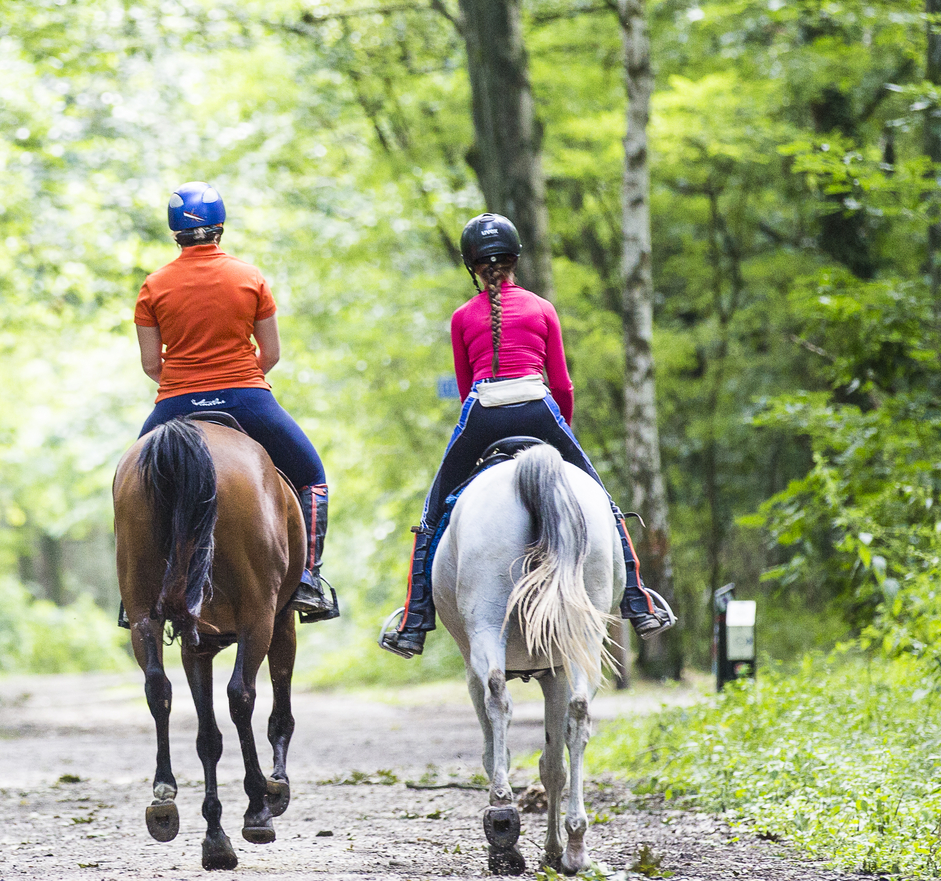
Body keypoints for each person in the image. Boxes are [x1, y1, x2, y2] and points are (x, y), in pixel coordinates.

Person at [378, 211, 676, 657]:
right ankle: (637, 599)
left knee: (434, 513)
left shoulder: (462, 317)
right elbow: (562, 386)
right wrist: (561, 434)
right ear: (516, 259)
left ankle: (413, 617)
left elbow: (465, 390)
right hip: (540, 412)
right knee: (604, 504)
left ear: (471, 265)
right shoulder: (542, 308)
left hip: (483, 414)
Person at [131, 181, 338, 621]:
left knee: (134, 487)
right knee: (312, 477)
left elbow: (152, 364)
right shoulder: (250, 278)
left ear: (175, 234)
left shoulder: (153, 287)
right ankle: (307, 579)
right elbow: (273, 354)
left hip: (176, 403)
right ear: (220, 227)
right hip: (247, 397)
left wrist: (189, 383)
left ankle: (136, 596)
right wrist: (239, 380)